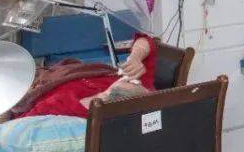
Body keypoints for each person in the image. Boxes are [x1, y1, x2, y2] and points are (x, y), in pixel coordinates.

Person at [11, 33, 158, 118]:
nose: (133, 83)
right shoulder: (139, 78)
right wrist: (135, 57)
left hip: (28, 99)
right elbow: (146, 40)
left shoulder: (57, 107)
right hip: (52, 74)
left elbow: (26, 125)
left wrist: (106, 96)